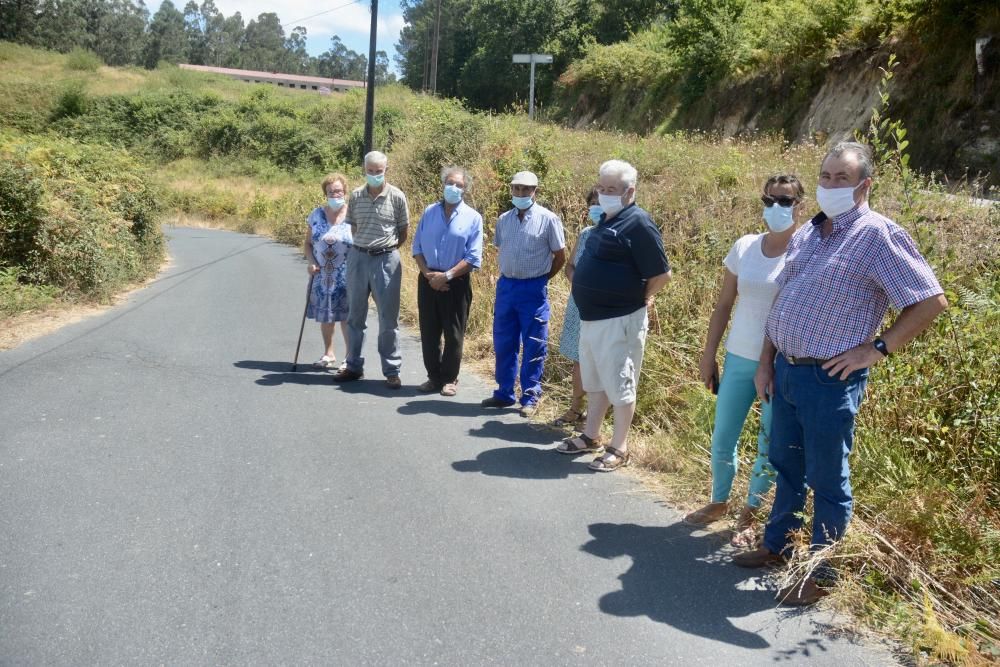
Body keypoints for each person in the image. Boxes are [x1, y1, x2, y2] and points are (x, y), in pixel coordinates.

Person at [732, 142, 947, 606]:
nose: (830, 185)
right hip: (786, 372)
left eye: (841, 178)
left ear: (865, 185)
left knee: (828, 476)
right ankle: (778, 544)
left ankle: (822, 571)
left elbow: (930, 301)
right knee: (785, 463)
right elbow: (782, 301)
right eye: (825, 176)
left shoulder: (877, 235)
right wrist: (767, 362)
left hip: (828, 379)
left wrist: (877, 349)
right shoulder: (810, 232)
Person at [683, 175, 807, 547]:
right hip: (738, 355)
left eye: (785, 201)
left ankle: (750, 513)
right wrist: (708, 356)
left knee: (768, 445)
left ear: (800, 206)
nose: (776, 207)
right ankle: (718, 500)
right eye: (770, 199)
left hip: (780, 363)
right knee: (723, 436)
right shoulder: (745, 246)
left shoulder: (805, 252)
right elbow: (723, 305)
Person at [557, 160, 671, 472]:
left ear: (629, 191)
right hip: (592, 318)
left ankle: (619, 446)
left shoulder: (638, 223)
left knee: (620, 382)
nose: (604, 194)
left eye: (611, 190)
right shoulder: (606, 219)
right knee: (596, 381)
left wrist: (643, 297)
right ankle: (590, 434)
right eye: (601, 188)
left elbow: (661, 274)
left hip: (620, 320)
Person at [481, 171, 566, 417]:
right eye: (516, 189)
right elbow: (501, 249)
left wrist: (542, 279)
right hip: (507, 287)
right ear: (511, 190)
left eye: (526, 189)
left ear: (535, 191)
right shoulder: (504, 219)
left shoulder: (548, 219)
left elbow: (559, 256)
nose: (520, 193)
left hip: (533, 289)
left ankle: (530, 396)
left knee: (534, 344)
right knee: (504, 341)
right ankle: (504, 393)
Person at [334, 151, 410, 389]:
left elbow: (403, 231)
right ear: (364, 169)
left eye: (379, 171)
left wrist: (384, 249)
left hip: (386, 260)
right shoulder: (356, 195)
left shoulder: (397, 196)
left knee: (389, 319)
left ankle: (391, 369)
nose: (375, 175)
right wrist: (365, 247)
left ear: (386, 170)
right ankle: (354, 365)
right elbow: (354, 227)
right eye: (370, 171)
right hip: (358, 258)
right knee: (355, 316)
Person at [411, 166, 484, 396]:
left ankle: (450, 378)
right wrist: (428, 275)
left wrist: (447, 276)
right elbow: (417, 248)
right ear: (443, 184)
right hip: (428, 278)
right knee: (429, 331)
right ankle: (433, 377)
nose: (453, 188)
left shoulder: (473, 217)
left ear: (465, 189)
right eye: (450, 183)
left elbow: (473, 257)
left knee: (454, 333)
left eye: (459, 185)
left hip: (456, 282)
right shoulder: (429, 212)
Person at [552, 186, 601, 428]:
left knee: (601, 364)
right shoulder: (586, 234)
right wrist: (576, 280)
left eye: (601, 201)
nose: (597, 206)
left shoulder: (626, 234)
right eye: (593, 202)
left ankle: (594, 419)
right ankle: (575, 409)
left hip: (605, 310)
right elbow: (570, 266)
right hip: (579, 305)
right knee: (579, 360)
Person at [304, 173, 353, 369]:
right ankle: (328, 353)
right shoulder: (316, 214)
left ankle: (350, 358)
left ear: (345, 192)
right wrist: (310, 261)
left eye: (339, 191)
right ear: (325, 193)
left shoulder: (353, 215)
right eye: (331, 191)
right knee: (326, 316)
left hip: (347, 274)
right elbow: (307, 244)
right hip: (322, 274)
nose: (335, 194)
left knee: (347, 317)